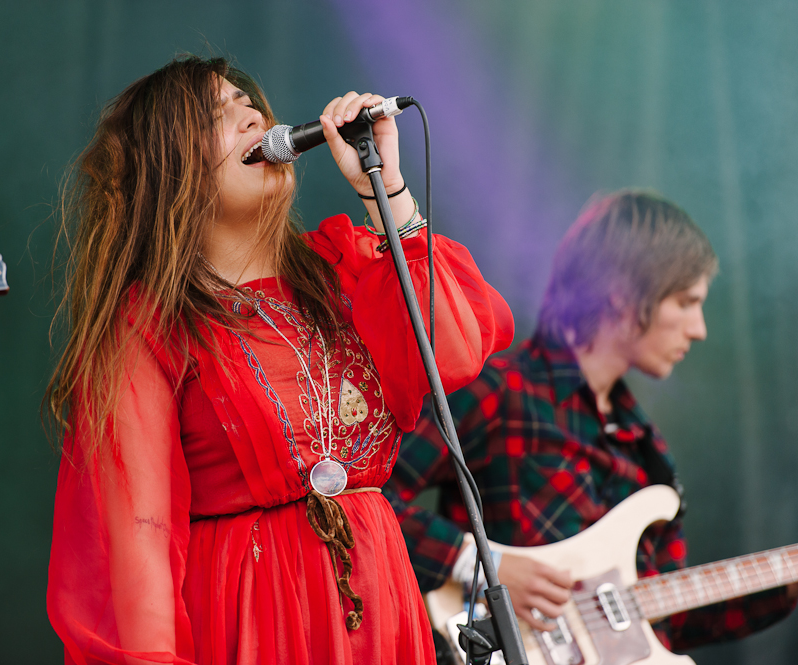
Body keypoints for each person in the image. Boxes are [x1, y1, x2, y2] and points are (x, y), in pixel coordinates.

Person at [44, 55, 514, 665]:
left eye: (249, 102)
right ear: (170, 168)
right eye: (219, 113)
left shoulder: (343, 267)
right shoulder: (148, 326)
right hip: (251, 620)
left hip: (382, 611)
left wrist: (387, 191)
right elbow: (135, 550)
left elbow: (455, 350)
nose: (252, 115)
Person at [384, 190, 797, 653]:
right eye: (685, 301)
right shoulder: (502, 390)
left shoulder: (646, 451)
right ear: (623, 296)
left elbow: (668, 622)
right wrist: (482, 566)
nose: (699, 328)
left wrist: (785, 585)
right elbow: (366, 502)